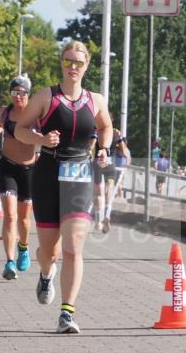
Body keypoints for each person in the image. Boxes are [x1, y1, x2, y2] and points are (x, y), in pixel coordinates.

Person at [15, 41, 113, 334]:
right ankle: (46, 272)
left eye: (79, 63)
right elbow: (20, 129)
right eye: (68, 61)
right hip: (47, 172)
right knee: (51, 252)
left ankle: (67, 314)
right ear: (62, 62)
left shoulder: (96, 100)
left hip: (81, 172)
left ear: (87, 66)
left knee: (73, 246)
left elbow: (106, 126)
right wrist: (41, 140)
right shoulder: (47, 97)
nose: (73, 67)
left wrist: (104, 148)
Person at [0, 76, 37, 280]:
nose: (18, 97)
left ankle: (23, 247)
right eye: (15, 93)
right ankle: (9, 262)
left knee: (24, 220)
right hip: (7, 167)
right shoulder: (5, 112)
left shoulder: (36, 114)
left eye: (22, 93)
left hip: (28, 171)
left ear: (28, 94)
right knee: (10, 216)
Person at [92, 127, 129, 233]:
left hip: (98, 163)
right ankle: (107, 215)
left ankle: (98, 221)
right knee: (109, 190)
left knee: (98, 194)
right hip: (111, 165)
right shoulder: (114, 132)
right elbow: (123, 152)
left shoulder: (96, 131)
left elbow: (90, 146)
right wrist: (120, 138)